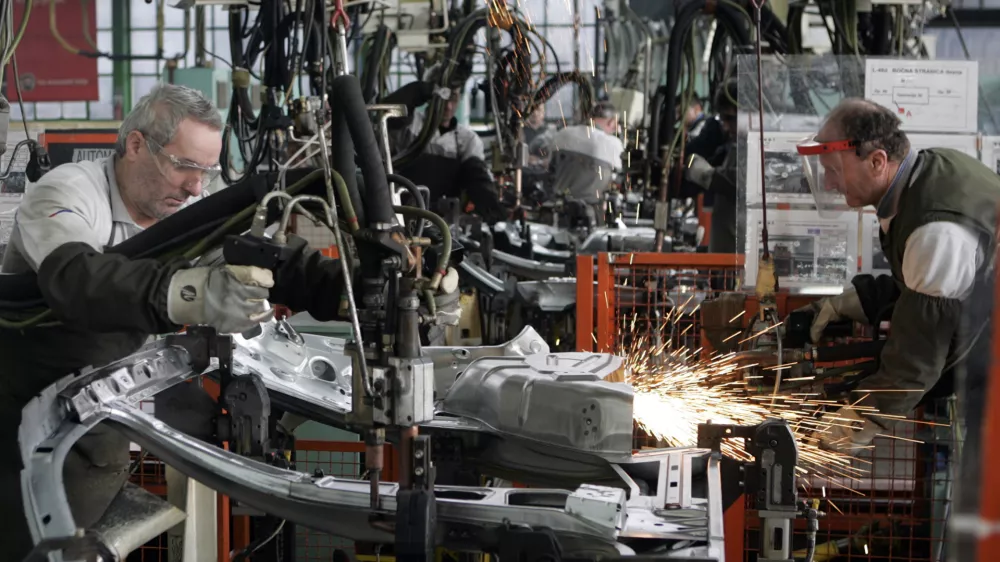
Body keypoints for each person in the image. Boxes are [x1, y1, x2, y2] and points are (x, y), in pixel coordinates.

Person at [0, 84, 351, 558]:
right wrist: (195, 294)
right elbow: (80, 280)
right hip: (35, 424)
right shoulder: (68, 191)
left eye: (206, 171)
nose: (196, 187)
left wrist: (346, 289)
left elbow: (270, 259)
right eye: (185, 166)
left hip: (117, 404)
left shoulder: (191, 206)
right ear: (137, 145)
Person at [795, 98, 998, 560]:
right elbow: (930, 290)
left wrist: (856, 421)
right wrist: (858, 302)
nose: (828, 181)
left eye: (833, 170)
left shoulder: (935, 228)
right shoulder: (928, 174)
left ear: (878, 161)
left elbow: (913, 365)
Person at [385, 76, 505, 223]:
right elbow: (387, 110)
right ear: (433, 96)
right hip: (401, 213)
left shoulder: (467, 140)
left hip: (445, 221)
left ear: (460, 98)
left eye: (453, 98)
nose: (448, 106)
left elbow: (477, 176)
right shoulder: (410, 126)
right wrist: (421, 90)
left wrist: (492, 208)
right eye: (444, 98)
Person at [683, 79, 740, 253]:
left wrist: (705, 174)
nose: (725, 125)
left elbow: (739, 181)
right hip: (726, 255)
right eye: (722, 119)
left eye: (730, 118)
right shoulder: (734, 145)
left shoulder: (759, 147)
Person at [546, 101, 625, 222]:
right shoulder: (613, 143)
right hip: (592, 214)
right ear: (612, 122)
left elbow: (549, 168)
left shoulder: (563, 133)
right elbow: (621, 177)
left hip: (557, 210)